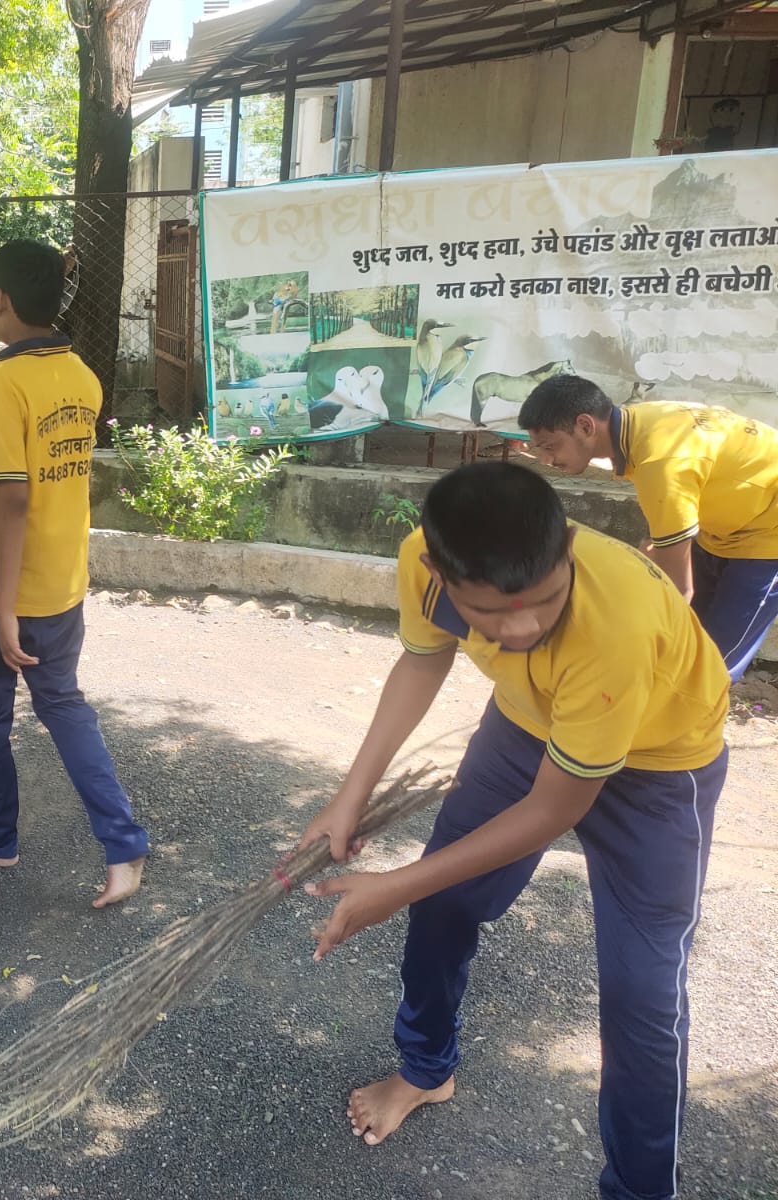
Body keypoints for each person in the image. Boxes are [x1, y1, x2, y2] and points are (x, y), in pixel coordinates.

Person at [296, 462, 729, 1200]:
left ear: (569, 548)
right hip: (529, 726)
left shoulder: (614, 621)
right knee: (443, 901)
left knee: (643, 993)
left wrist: (394, 886)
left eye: (547, 601)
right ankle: (426, 1070)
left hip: (661, 764)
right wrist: (349, 796)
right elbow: (422, 660)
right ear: (441, 575)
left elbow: (555, 809)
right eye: (491, 613)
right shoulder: (423, 561)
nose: (523, 627)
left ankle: (640, 1189)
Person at [0, 239, 150, 908]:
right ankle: (123, 844)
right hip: (62, 583)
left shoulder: (2, 383)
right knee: (64, 707)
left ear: (1, 299)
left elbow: (13, 498)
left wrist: (3, 609)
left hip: (1, 592)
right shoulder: (81, 376)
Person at [519, 375, 778, 680]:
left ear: (586, 426)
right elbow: (668, 518)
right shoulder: (638, 424)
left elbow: (678, 590)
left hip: (768, 536)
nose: (544, 459)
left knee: (713, 667)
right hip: (731, 522)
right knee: (687, 641)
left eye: (549, 446)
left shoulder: (660, 460)